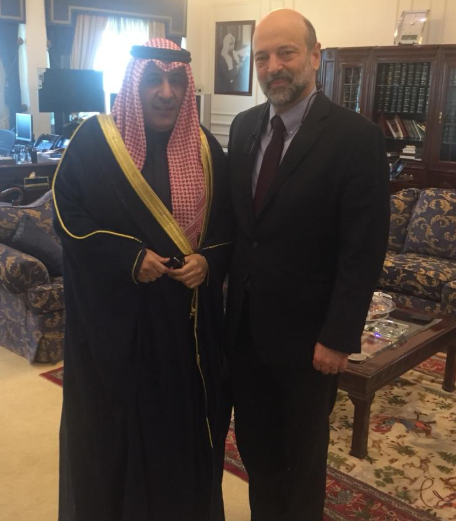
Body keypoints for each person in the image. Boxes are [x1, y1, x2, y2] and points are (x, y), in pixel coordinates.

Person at [53, 38, 233, 521]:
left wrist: (208, 262)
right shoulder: (95, 141)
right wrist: (128, 257)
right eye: (154, 80)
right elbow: (68, 218)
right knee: (118, 434)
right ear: (134, 84)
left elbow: (229, 228)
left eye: (176, 81)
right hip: (120, 328)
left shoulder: (207, 148)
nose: (166, 92)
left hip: (187, 329)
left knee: (182, 429)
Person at [226, 9, 390, 521]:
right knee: (257, 451)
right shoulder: (243, 127)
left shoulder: (356, 139)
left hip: (310, 344)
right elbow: (240, 228)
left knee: (300, 461)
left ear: (315, 57)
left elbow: (363, 249)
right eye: (262, 57)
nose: (273, 66)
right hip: (245, 333)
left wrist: (339, 337)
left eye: (286, 53)